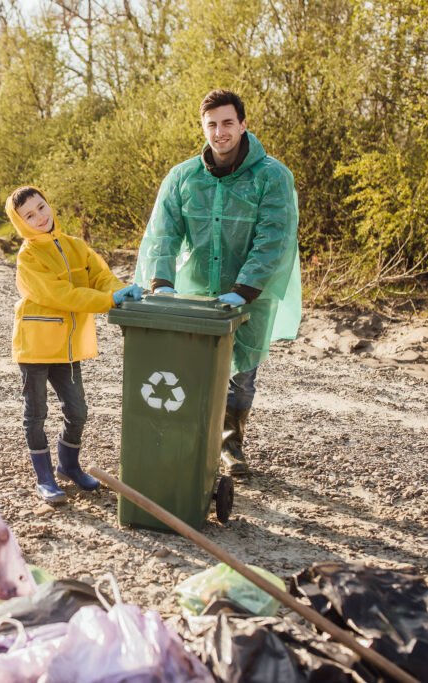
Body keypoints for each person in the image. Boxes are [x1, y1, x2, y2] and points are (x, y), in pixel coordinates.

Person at [134, 89, 301, 476]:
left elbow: (274, 237)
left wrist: (243, 290)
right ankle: (189, 440)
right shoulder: (183, 177)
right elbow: (163, 233)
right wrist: (162, 282)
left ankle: (230, 444)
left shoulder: (272, 176)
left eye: (227, 123)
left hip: (249, 296)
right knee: (189, 369)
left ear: (243, 124)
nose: (219, 132)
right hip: (194, 292)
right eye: (211, 124)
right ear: (202, 127)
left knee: (240, 374)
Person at [7, 186, 141, 504]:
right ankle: (45, 478)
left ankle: (68, 465)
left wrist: (120, 290)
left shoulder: (75, 246)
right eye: (29, 215)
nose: (40, 217)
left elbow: (101, 277)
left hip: (67, 349)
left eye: (41, 207)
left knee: (78, 411)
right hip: (36, 347)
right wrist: (108, 300)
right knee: (36, 413)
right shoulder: (28, 257)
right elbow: (62, 295)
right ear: (21, 222)